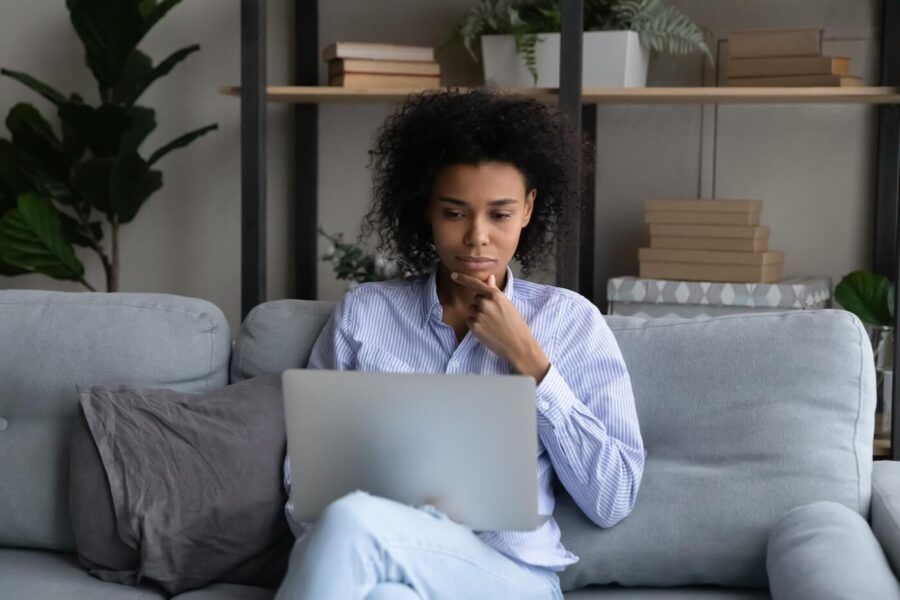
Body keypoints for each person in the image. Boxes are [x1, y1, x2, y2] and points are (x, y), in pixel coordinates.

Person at [275, 88, 644, 600]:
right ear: (427, 209)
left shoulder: (570, 321)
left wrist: (530, 362)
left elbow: (614, 496)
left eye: (499, 214)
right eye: (455, 213)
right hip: (386, 563)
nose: (477, 238)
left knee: (352, 521)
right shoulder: (366, 315)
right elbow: (304, 484)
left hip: (512, 577)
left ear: (529, 209)